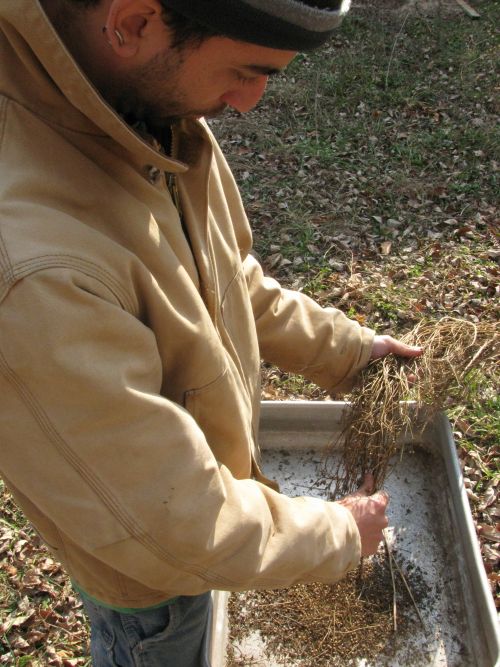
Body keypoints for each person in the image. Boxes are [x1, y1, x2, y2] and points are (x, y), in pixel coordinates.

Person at [0, 1, 423, 665]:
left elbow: (222, 279)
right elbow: (174, 526)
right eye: (244, 71)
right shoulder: (30, 268)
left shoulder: (138, 109)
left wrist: (346, 349)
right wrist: (341, 531)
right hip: (151, 583)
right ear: (135, 21)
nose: (249, 102)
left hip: (172, 516)